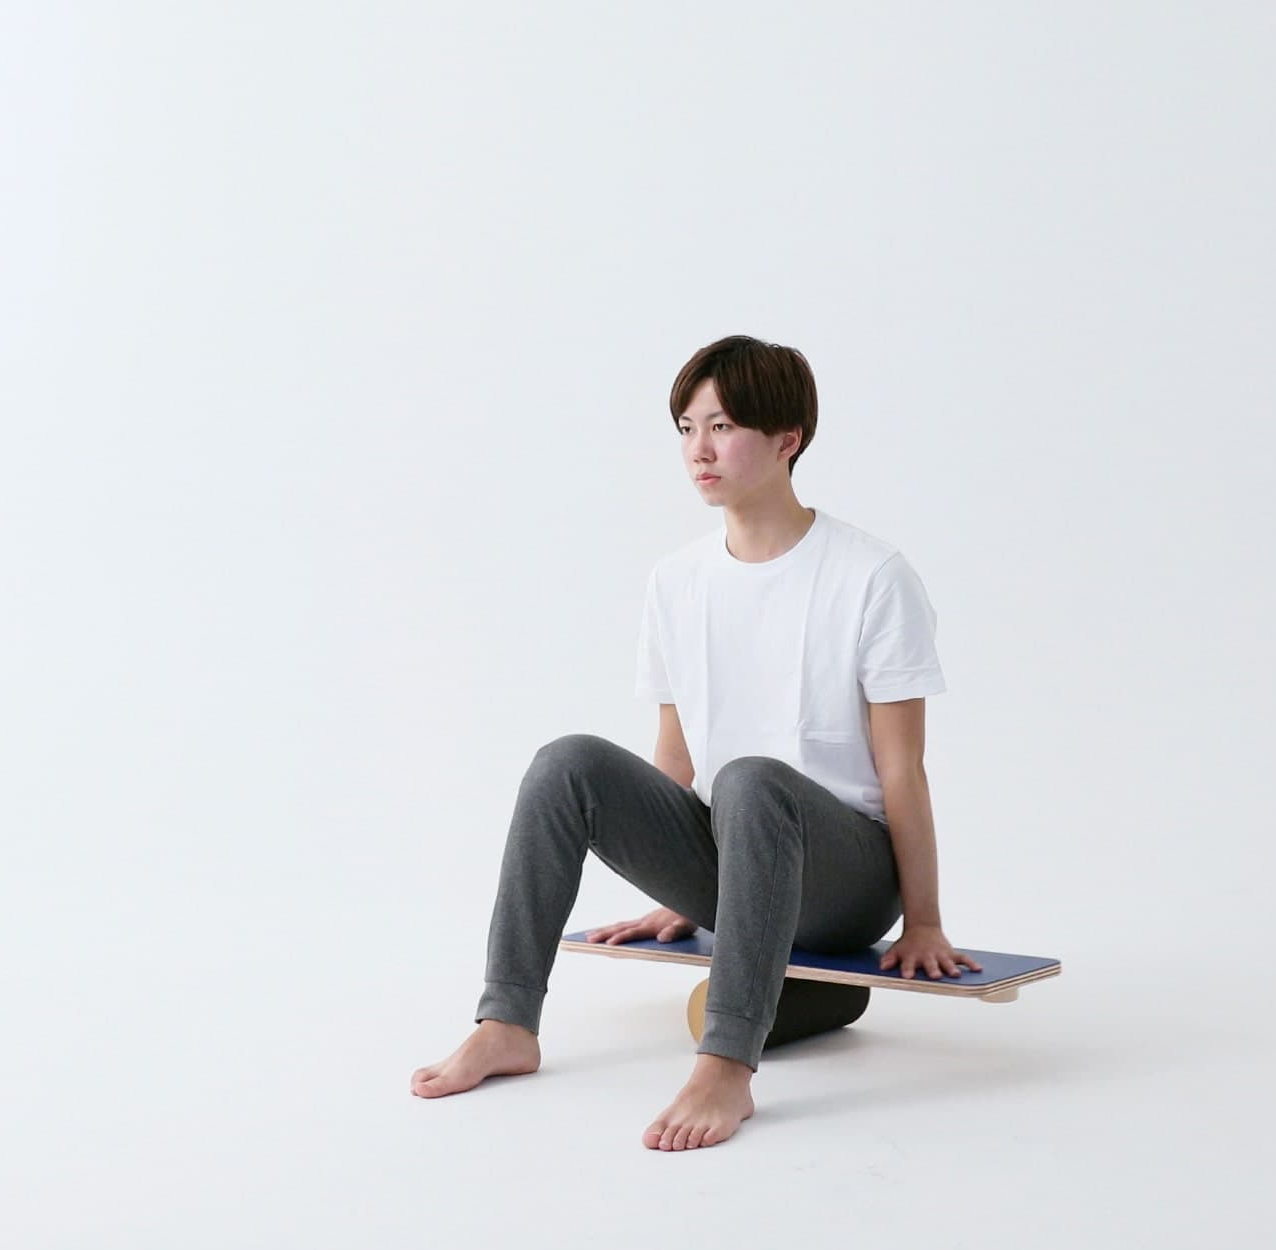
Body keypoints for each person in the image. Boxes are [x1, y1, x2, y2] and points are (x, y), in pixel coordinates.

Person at [410, 334, 980, 1150]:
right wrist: (672, 878)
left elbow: (902, 768)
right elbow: (675, 757)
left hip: (847, 877)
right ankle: (506, 1022)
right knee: (566, 763)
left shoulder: (871, 576)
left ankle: (726, 1067)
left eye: (722, 427)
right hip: (732, 847)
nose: (698, 450)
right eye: (686, 428)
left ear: (787, 439)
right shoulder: (676, 580)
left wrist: (922, 921)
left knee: (750, 778)